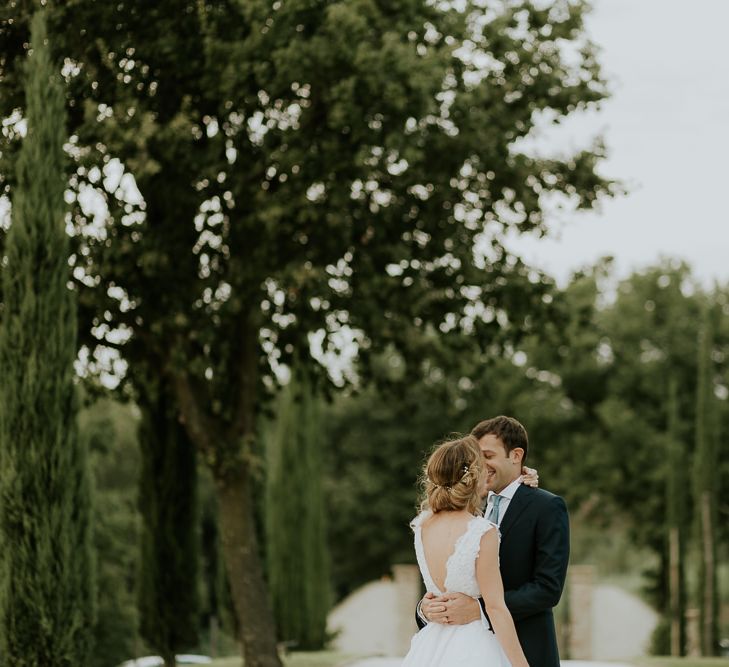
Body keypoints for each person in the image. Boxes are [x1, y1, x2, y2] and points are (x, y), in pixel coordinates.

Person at [417, 416, 570, 667]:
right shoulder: (467, 511)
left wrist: (478, 610)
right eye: (476, 458)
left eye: (488, 455)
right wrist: (426, 608)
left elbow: (548, 588)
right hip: (461, 651)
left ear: (516, 456)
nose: (479, 465)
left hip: (526, 648)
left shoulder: (547, 507)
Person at [401, 434, 529, 667]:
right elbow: (496, 608)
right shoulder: (481, 531)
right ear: (474, 477)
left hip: (430, 646)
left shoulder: (422, 525)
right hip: (474, 647)